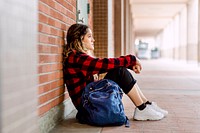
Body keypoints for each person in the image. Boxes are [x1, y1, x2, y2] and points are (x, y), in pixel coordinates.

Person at [63, 23, 168, 122]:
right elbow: (104, 64)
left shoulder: (77, 57)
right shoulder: (77, 58)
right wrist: (132, 59)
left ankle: (146, 105)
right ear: (80, 39)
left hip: (89, 103)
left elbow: (105, 66)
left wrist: (129, 64)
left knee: (119, 70)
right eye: (89, 36)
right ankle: (142, 108)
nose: (93, 40)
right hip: (88, 107)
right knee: (119, 72)